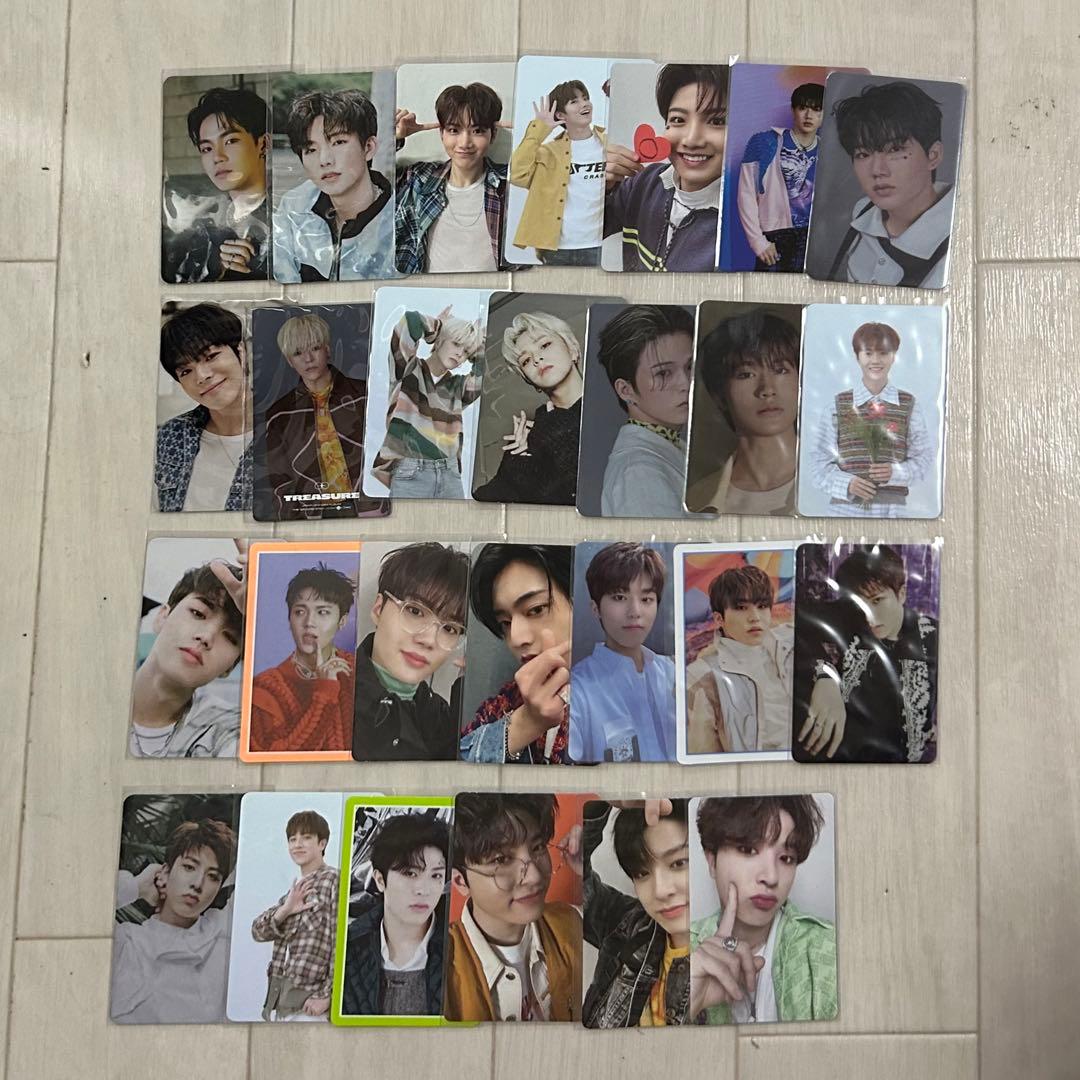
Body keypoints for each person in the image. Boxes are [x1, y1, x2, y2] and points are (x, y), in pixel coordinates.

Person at [690, 796, 837, 1024]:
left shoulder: (828, 948)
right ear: (712, 861)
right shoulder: (683, 948)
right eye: (748, 850)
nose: (771, 877)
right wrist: (687, 1002)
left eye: (786, 858)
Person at [445, 794, 582, 1022]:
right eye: (501, 860)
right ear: (460, 881)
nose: (534, 876)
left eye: (537, 847)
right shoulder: (439, 969)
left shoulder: (573, 923)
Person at [796, 544, 938, 763]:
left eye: (877, 601)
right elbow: (798, 624)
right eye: (860, 603)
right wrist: (824, 675)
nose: (869, 616)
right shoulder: (848, 614)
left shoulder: (935, 637)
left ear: (901, 594)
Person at [568, 799, 690, 1027]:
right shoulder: (629, 926)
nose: (661, 891)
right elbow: (581, 889)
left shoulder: (741, 960)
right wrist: (603, 798)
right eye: (642, 873)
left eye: (679, 863)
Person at [823, 81, 954, 288]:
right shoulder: (864, 211)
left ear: (933, 155)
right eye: (863, 154)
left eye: (895, 150)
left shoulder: (958, 236)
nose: (877, 170)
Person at [110, 817, 238, 1023]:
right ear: (165, 872)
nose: (198, 884)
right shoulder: (126, 942)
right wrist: (137, 886)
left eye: (213, 876)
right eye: (189, 867)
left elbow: (269, 861)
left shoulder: (222, 933)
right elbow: (83, 909)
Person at [262, 311, 387, 520]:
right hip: (313, 517)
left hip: (371, 508)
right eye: (298, 353)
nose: (308, 359)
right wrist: (295, 521)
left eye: (315, 348)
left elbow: (390, 452)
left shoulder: (365, 395)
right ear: (289, 360)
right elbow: (279, 480)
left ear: (327, 349)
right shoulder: (280, 414)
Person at [604, 65, 728, 271]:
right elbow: (576, 235)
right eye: (678, 120)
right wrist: (590, 187)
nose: (691, 140)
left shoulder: (745, 225)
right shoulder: (643, 183)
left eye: (717, 121)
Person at [353, 543, 469, 761]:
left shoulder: (441, 716)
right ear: (378, 609)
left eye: (449, 629)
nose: (429, 640)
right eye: (415, 611)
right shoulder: (330, 701)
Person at [459, 544, 573, 764]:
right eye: (505, 622)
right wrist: (525, 724)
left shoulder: (636, 694)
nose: (516, 637)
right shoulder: (505, 704)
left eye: (536, 609)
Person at [807, 320, 932, 517]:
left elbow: (923, 459)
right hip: (844, 513)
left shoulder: (909, 405)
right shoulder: (837, 405)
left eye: (883, 353)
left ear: (893, 356)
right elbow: (817, 464)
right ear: (857, 356)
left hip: (893, 513)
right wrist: (847, 483)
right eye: (868, 353)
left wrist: (895, 473)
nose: (875, 360)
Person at [129, 550, 247, 758]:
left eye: (230, 637)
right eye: (198, 613)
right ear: (162, 616)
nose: (207, 637)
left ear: (230, 667)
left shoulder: (227, 730)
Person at [685, 310, 800, 516]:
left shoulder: (847, 482)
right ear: (719, 395)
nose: (767, 389)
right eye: (746, 374)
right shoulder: (697, 500)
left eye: (780, 370)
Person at [273, 88, 394, 282]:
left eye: (338, 142)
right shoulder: (294, 205)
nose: (325, 160)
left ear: (368, 147)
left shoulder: (399, 215)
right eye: (311, 149)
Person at [570, 543, 675, 763]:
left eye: (646, 599)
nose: (635, 612)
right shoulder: (577, 690)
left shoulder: (675, 674)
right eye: (619, 597)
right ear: (596, 608)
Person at [370, 305, 484, 500]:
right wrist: (439, 328)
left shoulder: (458, 387)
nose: (460, 354)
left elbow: (486, 372)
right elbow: (411, 321)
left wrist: (477, 344)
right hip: (410, 472)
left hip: (450, 474)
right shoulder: (407, 369)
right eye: (456, 343)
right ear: (440, 340)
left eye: (466, 351)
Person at [341, 813, 450, 1016]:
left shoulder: (460, 949)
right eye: (410, 873)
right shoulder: (347, 946)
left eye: (436, 875)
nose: (423, 890)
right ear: (380, 880)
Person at [394, 82, 508, 274]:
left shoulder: (511, 183)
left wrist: (536, 132)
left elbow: (560, 183)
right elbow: (363, 183)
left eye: (477, 131)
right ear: (442, 133)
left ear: (493, 134)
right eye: (454, 130)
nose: (465, 143)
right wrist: (393, 139)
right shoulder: (419, 179)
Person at [472, 310, 583, 506]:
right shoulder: (533, 438)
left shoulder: (617, 402)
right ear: (530, 381)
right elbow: (484, 505)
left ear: (573, 349)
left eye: (545, 345)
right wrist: (517, 467)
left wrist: (558, 434)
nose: (536, 359)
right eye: (525, 360)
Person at [162, 85, 271, 283]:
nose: (217, 157)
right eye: (206, 148)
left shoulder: (291, 216)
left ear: (263, 144)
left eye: (230, 141)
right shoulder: (201, 219)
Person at [596, 305, 696, 517]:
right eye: (663, 373)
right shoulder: (638, 473)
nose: (686, 383)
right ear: (626, 390)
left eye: (689, 367)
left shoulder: (670, 444)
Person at [685, 564, 793, 754]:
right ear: (719, 619)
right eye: (741, 608)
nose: (755, 617)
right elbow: (703, 754)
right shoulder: (701, 676)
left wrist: (824, 679)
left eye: (761, 606)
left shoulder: (790, 642)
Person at [249, 563, 356, 753]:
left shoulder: (358, 672)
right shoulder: (266, 687)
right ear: (289, 619)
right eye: (300, 612)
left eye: (322, 612)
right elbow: (274, 760)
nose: (309, 623)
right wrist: (325, 692)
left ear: (342, 621)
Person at [156, 303, 252, 512]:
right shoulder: (171, 436)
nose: (201, 376)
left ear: (241, 352)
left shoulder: (296, 429)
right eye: (185, 371)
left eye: (210, 356)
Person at [251, 811, 338, 1021]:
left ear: (322, 843)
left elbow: (341, 941)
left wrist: (328, 995)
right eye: (292, 839)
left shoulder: (333, 880)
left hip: (312, 1005)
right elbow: (257, 932)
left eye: (306, 837)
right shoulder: (294, 893)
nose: (297, 844)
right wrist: (286, 909)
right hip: (283, 1004)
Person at [509, 80, 606, 266]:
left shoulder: (608, 143)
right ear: (561, 115)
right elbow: (516, 174)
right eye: (574, 101)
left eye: (585, 98)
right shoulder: (548, 152)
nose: (584, 104)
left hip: (601, 245)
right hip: (558, 249)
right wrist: (539, 129)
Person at [736, 83, 824, 273]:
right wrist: (758, 242)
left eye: (817, 109)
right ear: (793, 110)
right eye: (803, 107)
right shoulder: (764, 143)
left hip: (814, 239)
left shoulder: (829, 150)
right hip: (776, 237)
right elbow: (746, 195)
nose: (809, 115)